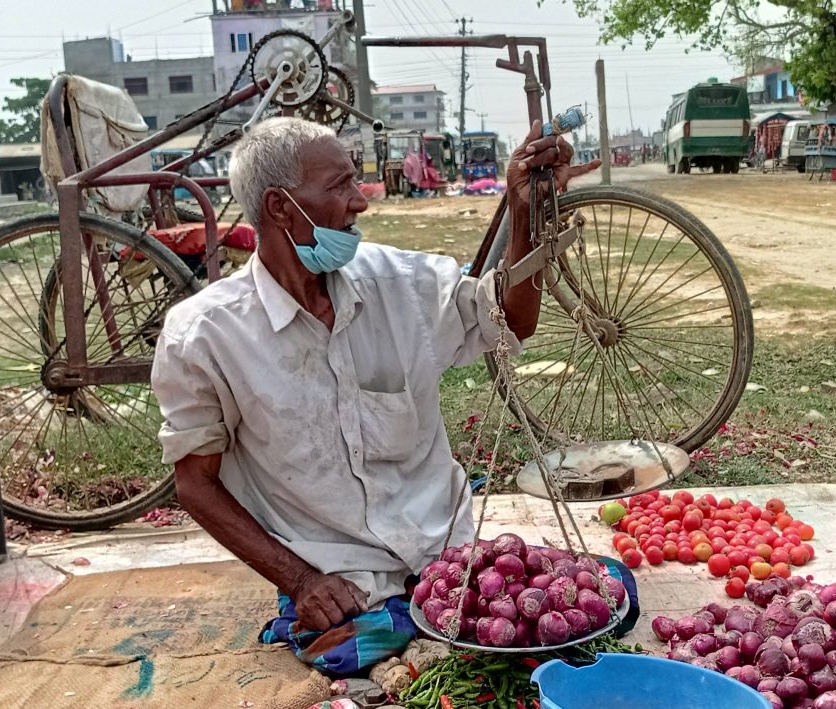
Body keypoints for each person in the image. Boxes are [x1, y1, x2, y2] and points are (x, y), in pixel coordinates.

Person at [151, 117, 617, 676]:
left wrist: (524, 212)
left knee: (604, 598)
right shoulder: (205, 335)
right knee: (354, 646)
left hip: (448, 557)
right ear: (280, 206)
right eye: (340, 187)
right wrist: (302, 582)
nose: (360, 204)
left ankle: (427, 628)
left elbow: (509, 322)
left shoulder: (400, 283)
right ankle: (391, 626)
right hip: (342, 572)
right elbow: (194, 484)